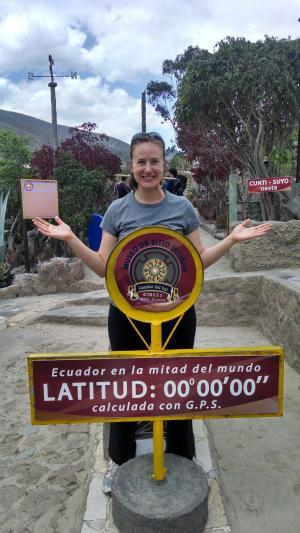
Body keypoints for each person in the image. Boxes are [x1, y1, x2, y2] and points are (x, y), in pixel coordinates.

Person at [32, 131, 272, 495]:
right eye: (141, 162)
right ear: (131, 166)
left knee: (178, 384)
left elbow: (198, 262)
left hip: (176, 313)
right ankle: (120, 460)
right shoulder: (118, 211)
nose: (148, 168)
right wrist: (70, 238)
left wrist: (231, 240)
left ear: (164, 165)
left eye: (154, 161)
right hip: (126, 315)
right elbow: (102, 267)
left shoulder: (181, 208)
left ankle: (182, 454)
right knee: (126, 386)